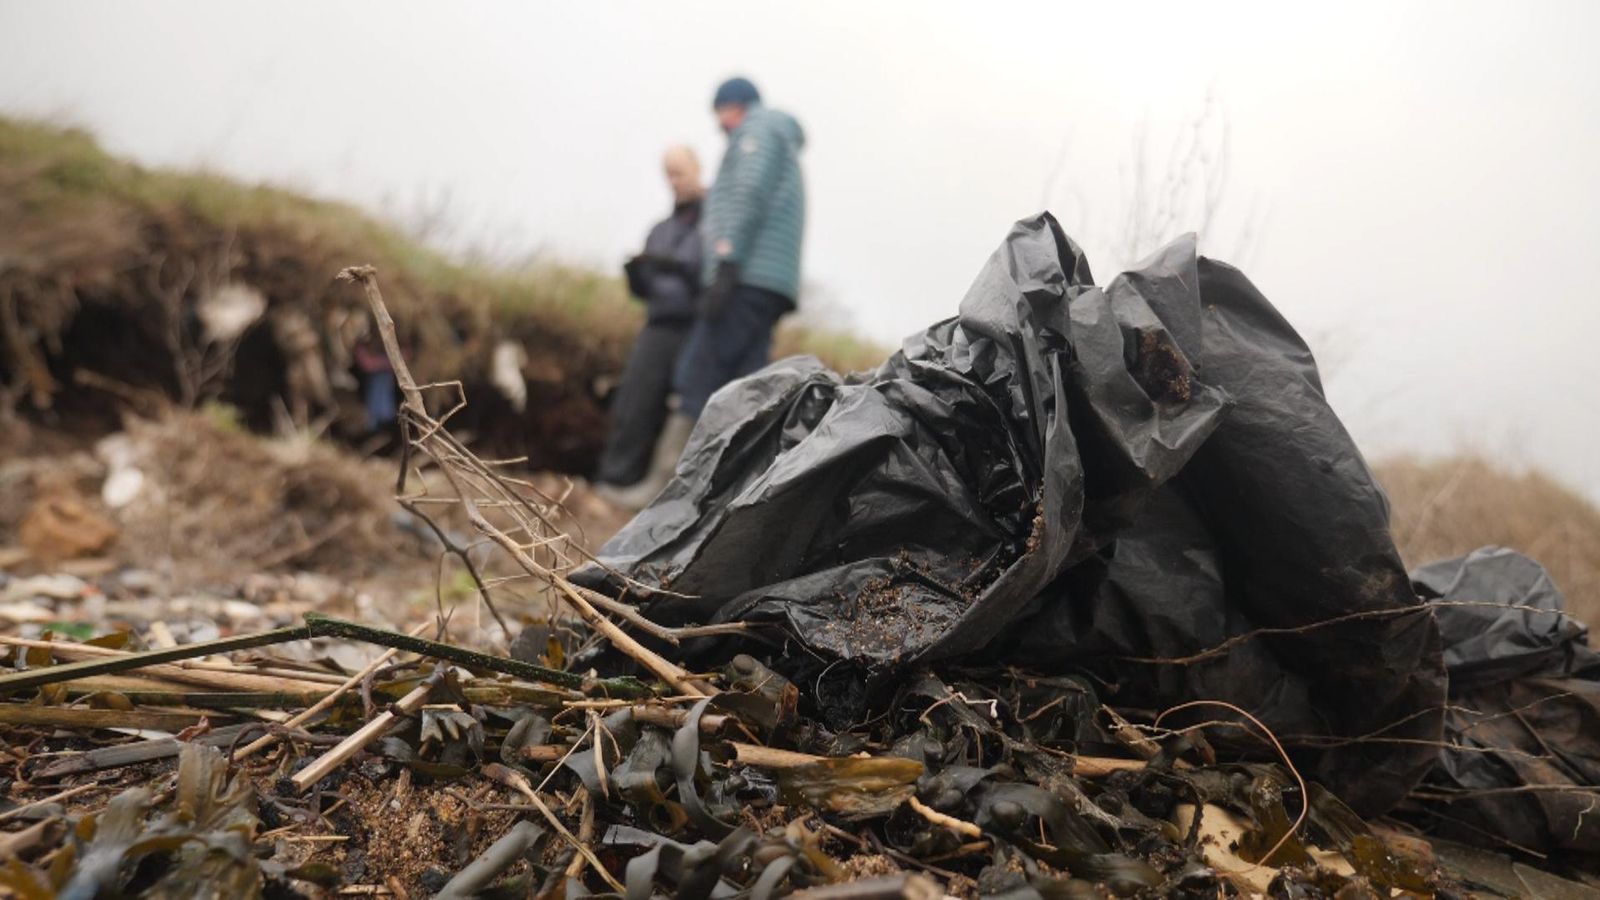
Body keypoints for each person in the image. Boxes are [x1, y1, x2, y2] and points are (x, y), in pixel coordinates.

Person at [605, 77, 807, 509]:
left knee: (697, 373)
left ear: (732, 107)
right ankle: (728, 498)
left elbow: (746, 195)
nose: (720, 125)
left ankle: (660, 496)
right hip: (770, 284)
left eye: (720, 113)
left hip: (746, 277)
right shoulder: (781, 140)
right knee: (747, 384)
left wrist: (727, 262)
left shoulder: (757, 132)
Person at [593, 145, 706, 507]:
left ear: (697, 169)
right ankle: (614, 482)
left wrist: (676, 268)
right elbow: (647, 288)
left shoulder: (715, 221)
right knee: (635, 400)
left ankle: (669, 499)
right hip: (657, 325)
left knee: (685, 408)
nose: (674, 181)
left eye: (680, 172)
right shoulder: (660, 228)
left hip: (697, 327)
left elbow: (707, 272)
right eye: (668, 174)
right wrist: (637, 275)